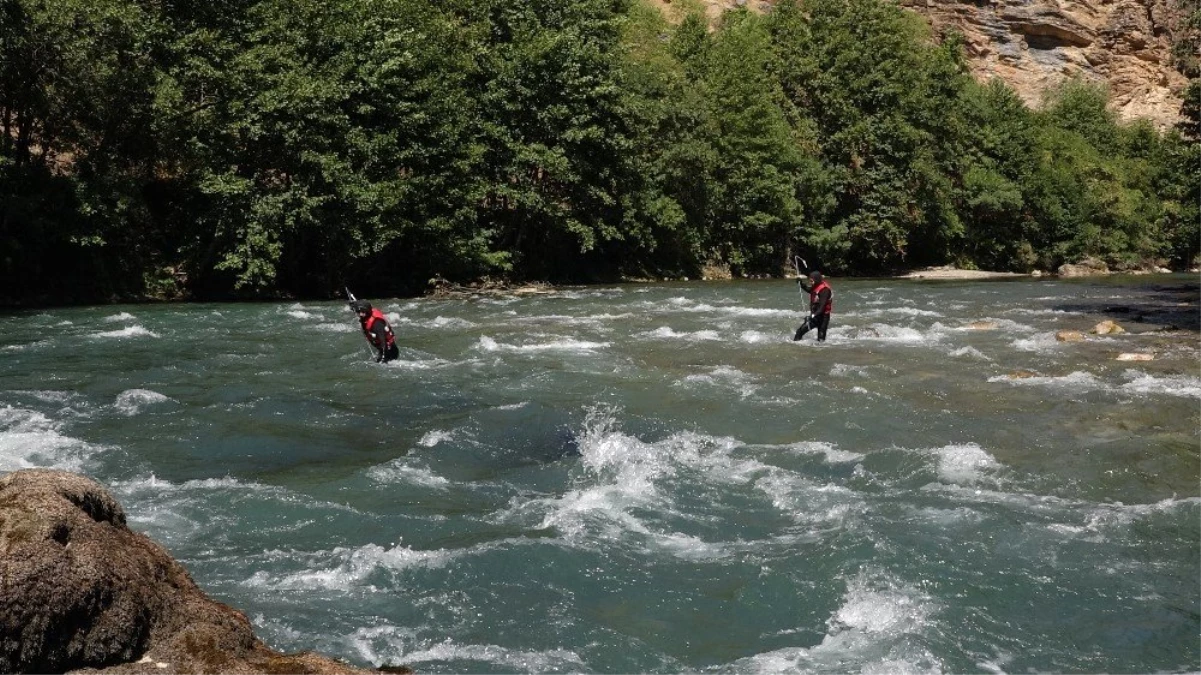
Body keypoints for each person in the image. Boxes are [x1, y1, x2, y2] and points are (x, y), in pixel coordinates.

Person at [794, 270, 832, 342]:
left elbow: (822, 307)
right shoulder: (816, 285)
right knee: (799, 332)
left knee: (820, 340)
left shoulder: (825, 290)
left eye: (811, 281)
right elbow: (810, 290)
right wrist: (801, 284)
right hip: (815, 316)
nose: (810, 283)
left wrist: (812, 316)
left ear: (817, 280)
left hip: (823, 318)